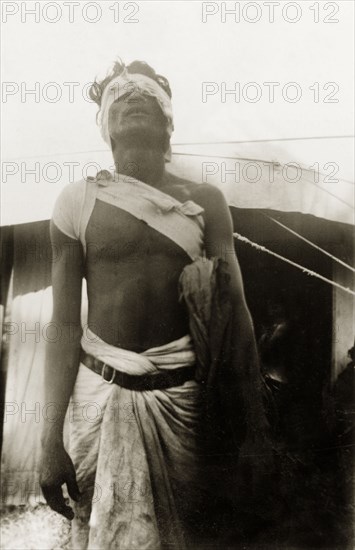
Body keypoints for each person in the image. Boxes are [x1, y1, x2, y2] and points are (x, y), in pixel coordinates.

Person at [39, 59, 268, 549]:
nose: (133, 97)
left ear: (169, 123)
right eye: (119, 96)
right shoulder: (76, 201)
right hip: (98, 397)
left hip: (183, 402)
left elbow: (236, 314)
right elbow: (61, 327)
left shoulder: (206, 200)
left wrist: (253, 431)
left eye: (147, 94)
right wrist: (47, 440)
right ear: (105, 127)